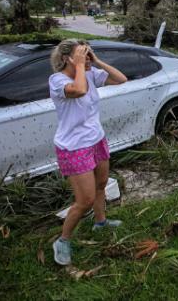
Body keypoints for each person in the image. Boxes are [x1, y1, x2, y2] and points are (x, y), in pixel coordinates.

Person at [48, 39, 127, 265]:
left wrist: (96, 60)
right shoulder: (57, 80)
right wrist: (81, 66)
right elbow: (79, 90)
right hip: (74, 147)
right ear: (67, 59)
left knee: (101, 185)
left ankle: (100, 222)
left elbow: (121, 79)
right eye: (81, 54)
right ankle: (62, 241)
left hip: (96, 139)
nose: (86, 57)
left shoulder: (90, 73)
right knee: (85, 200)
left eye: (87, 53)